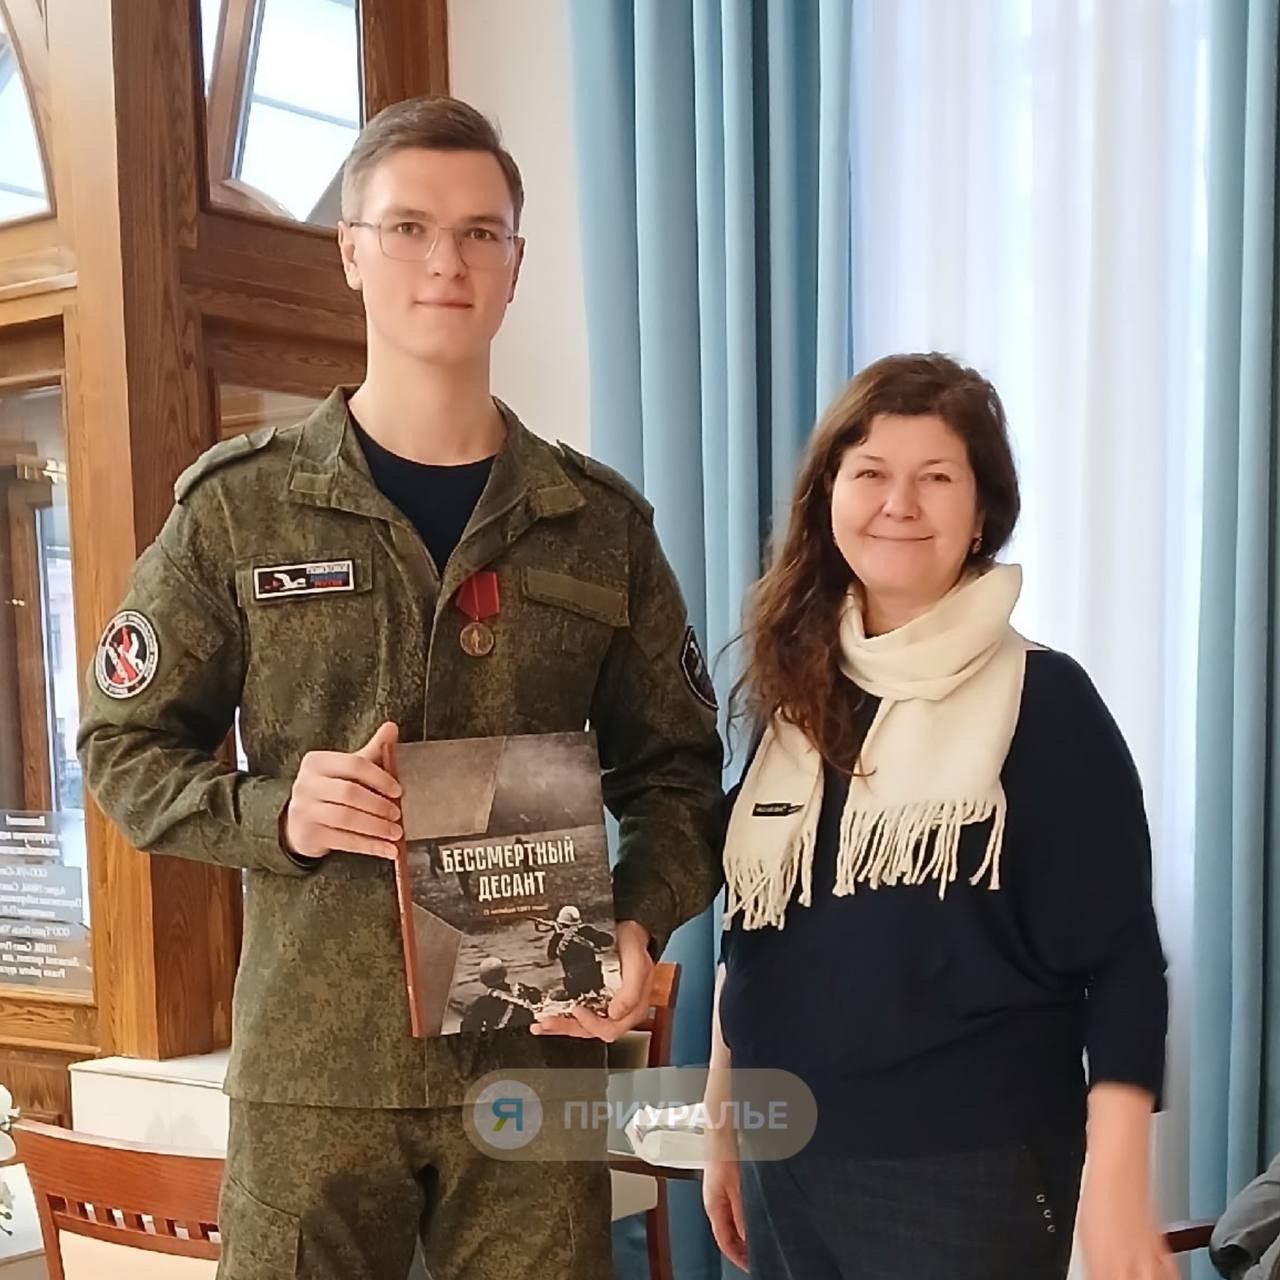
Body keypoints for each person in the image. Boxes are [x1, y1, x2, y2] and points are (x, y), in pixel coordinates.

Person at [77, 95, 724, 1280]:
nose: (446, 260)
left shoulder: (598, 525)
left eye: (480, 233)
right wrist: (278, 810)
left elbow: (677, 771)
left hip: (530, 1056)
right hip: (317, 1070)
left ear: (516, 264)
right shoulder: (239, 508)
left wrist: (635, 920)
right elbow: (123, 748)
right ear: (350, 251)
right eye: (410, 226)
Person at [701, 353, 1172, 1280]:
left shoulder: (1046, 702)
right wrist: (723, 1120)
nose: (899, 504)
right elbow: (754, 926)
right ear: (828, 497)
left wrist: (1118, 1180)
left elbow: (1123, 960)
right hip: (783, 1157)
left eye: (937, 478)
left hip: (963, 1172)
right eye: (871, 472)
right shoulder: (798, 697)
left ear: (982, 512)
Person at [543, 904, 614, 1000]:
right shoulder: (587, 931)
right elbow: (609, 940)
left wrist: (558, 935)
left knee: (552, 995)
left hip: (574, 987)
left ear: (560, 923)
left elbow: (551, 956)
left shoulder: (558, 938)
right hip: (595, 982)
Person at [460, 957, 541, 1035]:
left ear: (483, 980)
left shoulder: (482, 1004)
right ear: (505, 974)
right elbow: (537, 998)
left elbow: (467, 1029)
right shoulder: (522, 990)